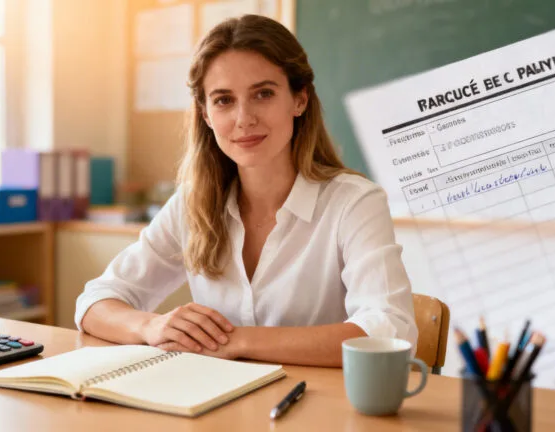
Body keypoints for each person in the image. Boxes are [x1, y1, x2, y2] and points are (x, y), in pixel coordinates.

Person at [75, 14, 417, 367]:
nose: (244, 118)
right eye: (224, 100)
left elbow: (390, 331)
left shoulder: (354, 202)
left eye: (263, 94)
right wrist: (152, 326)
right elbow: (95, 301)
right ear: (205, 114)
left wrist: (239, 340)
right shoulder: (193, 203)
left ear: (299, 100)